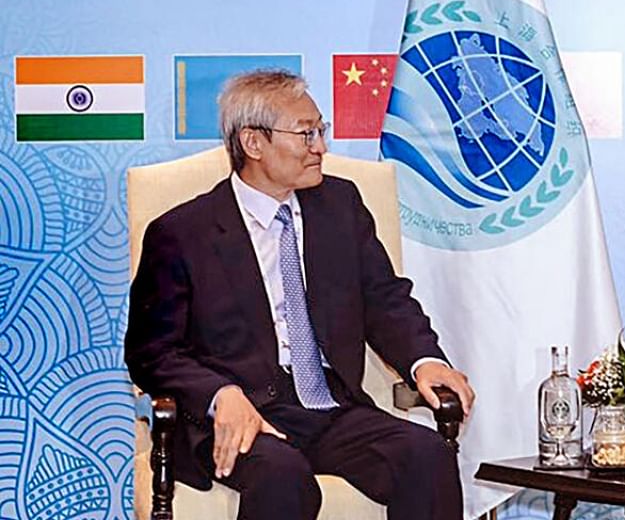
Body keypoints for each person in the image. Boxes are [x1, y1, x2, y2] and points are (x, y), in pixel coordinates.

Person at [125, 69, 476, 520]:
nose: (321, 147)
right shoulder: (182, 233)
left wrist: (424, 360)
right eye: (306, 134)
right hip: (243, 411)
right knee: (282, 476)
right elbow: (152, 353)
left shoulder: (340, 205)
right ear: (253, 143)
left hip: (332, 406)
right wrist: (219, 394)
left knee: (426, 455)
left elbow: (385, 299)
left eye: (321, 130)